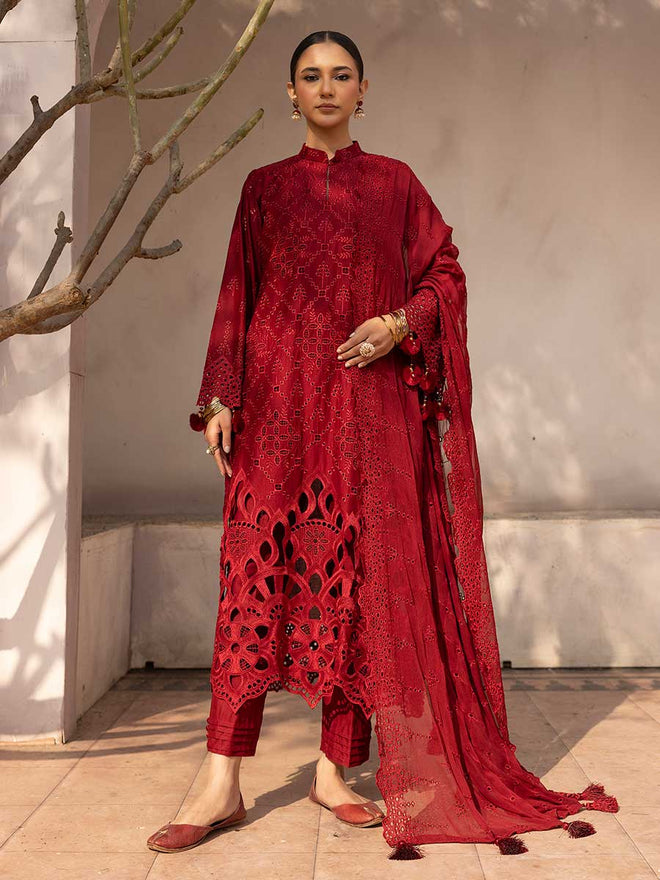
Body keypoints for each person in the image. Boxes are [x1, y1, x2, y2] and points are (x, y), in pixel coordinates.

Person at [147, 30, 618, 859]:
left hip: (366, 418)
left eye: (341, 76)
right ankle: (220, 780)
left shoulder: (396, 184)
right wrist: (221, 397)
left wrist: (400, 323)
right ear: (291, 93)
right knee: (251, 590)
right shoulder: (264, 188)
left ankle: (335, 771)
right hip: (278, 415)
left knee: (355, 588)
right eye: (310, 77)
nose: (326, 88)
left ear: (363, 91)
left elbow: (447, 273)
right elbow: (237, 294)